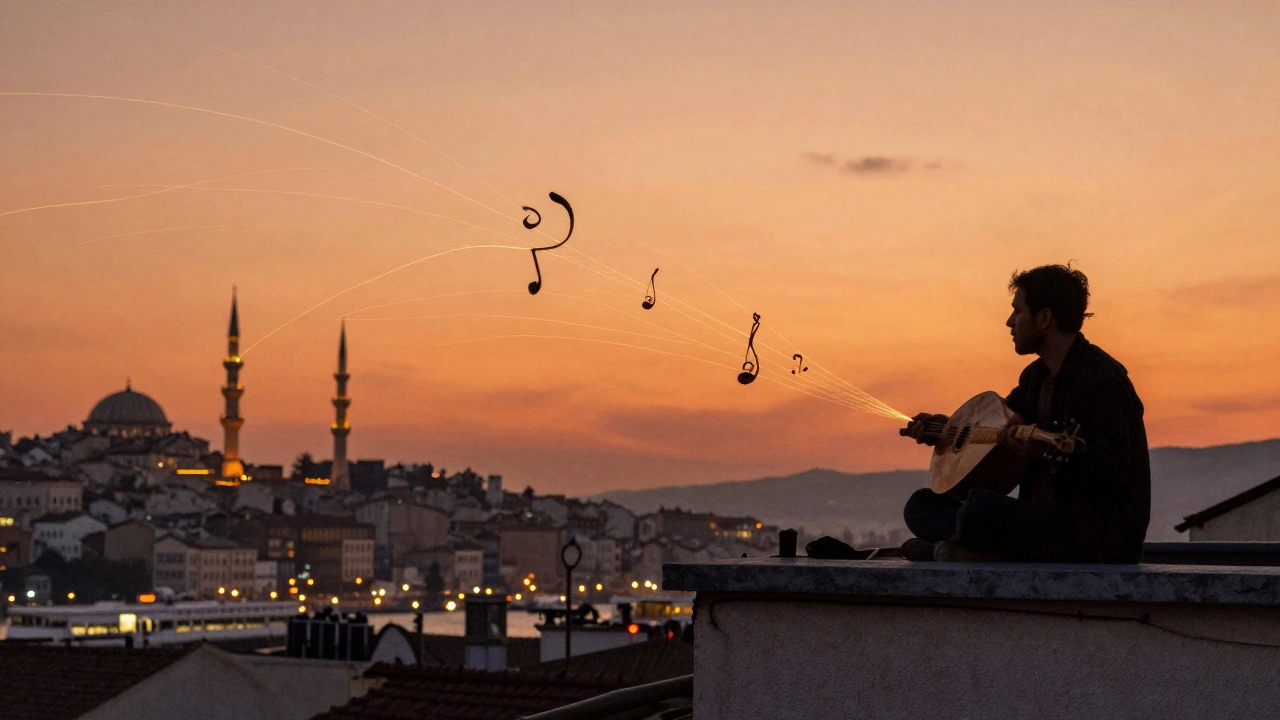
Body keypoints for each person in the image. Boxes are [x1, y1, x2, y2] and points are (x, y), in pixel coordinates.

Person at [900, 264, 1150, 563]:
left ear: (1044, 318)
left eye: (1017, 311)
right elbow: (994, 432)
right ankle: (980, 552)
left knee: (981, 509)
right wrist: (946, 431)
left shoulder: (1103, 379)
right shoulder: (1033, 379)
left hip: (1093, 537)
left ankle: (980, 553)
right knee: (921, 504)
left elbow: (1110, 475)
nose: (1009, 321)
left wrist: (1044, 453)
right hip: (1038, 523)